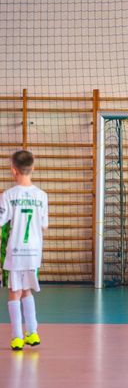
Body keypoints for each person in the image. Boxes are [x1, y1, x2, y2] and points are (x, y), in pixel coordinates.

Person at [0, 150, 48, 350]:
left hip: (16, 250)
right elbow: (44, 225)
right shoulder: (42, 196)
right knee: (27, 290)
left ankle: (18, 336)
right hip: (34, 252)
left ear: (13, 170)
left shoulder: (8, 195)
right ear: (33, 168)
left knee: (14, 292)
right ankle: (33, 332)